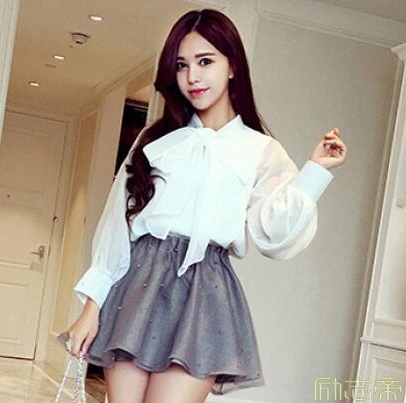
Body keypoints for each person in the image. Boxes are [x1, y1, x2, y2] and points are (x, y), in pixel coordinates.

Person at [66, 8, 347, 403]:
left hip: (204, 295)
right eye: (182, 65)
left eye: (205, 61)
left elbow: (275, 235)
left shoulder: (260, 150)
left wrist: (314, 173)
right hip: (138, 287)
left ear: (233, 66)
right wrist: (91, 307)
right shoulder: (154, 141)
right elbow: (117, 227)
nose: (192, 77)